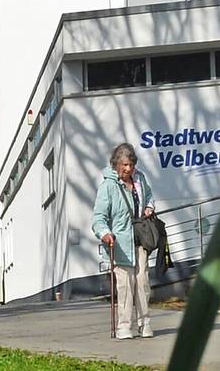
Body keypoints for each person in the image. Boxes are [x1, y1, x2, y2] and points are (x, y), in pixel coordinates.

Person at [92, 142, 155, 340]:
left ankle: (145, 324)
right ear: (116, 164)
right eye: (124, 165)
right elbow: (98, 218)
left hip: (140, 238)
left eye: (131, 165)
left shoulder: (140, 179)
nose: (128, 169)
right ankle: (124, 326)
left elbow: (150, 196)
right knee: (125, 285)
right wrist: (105, 233)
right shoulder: (108, 186)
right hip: (119, 242)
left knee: (142, 282)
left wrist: (150, 207)